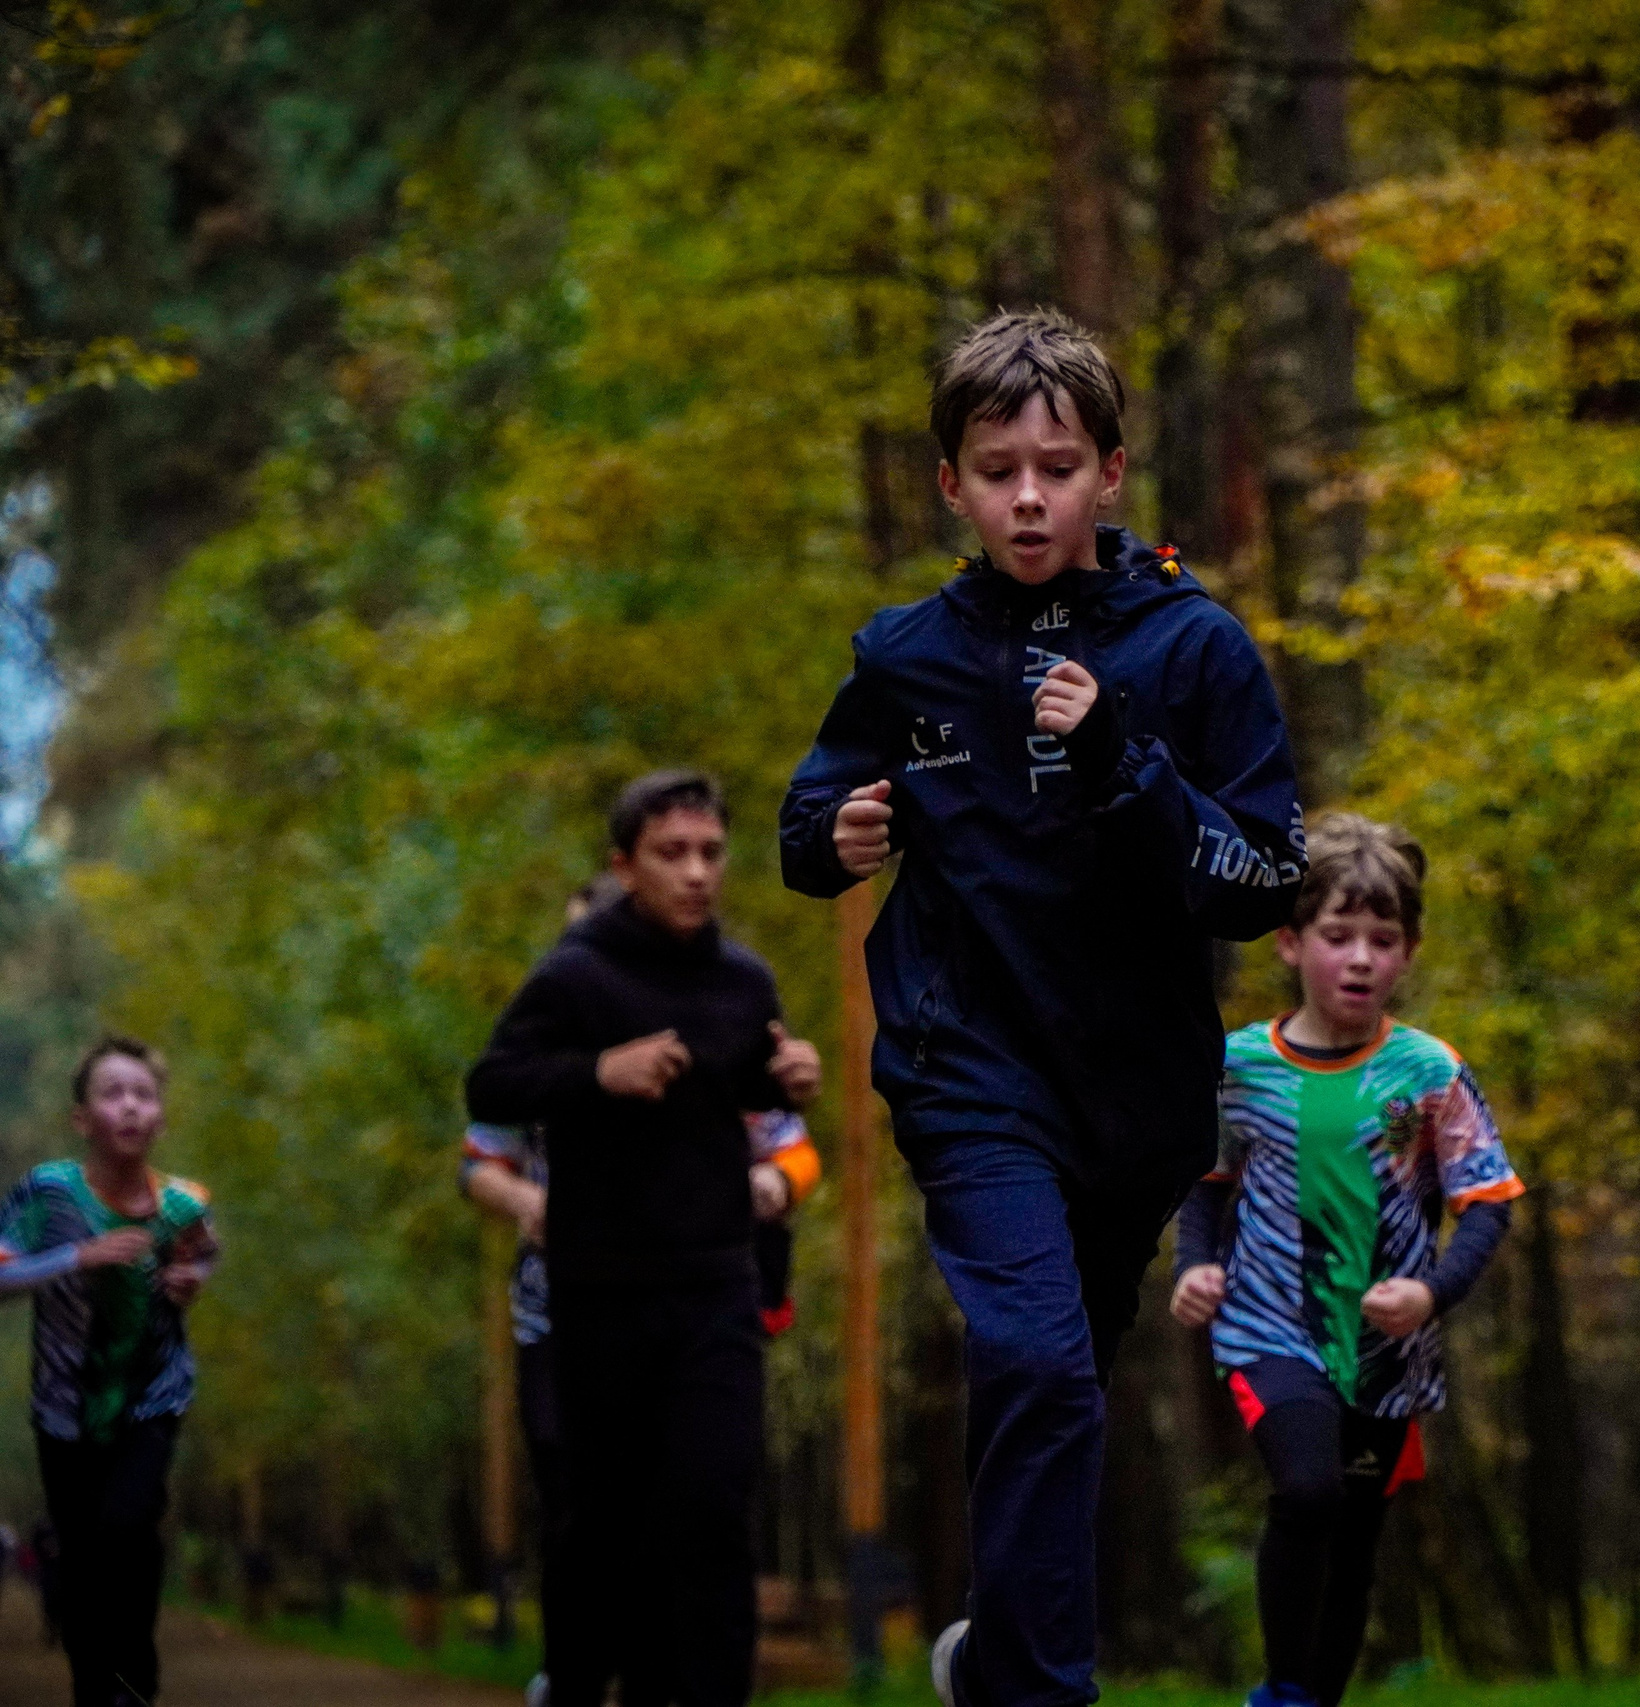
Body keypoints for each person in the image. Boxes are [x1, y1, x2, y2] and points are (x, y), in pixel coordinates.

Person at [779, 308, 1303, 1707]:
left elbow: (1260, 880)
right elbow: (809, 806)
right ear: (948, 480)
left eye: (1056, 465)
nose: (1027, 493)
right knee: (1033, 1359)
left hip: (1131, 1100)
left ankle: (995, 1660)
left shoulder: (1194, 649)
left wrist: (1125, 754)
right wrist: (833, 828)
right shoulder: (906, 652)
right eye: (996, 465)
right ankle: (1038, 1693)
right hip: (969, 1070)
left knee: (1058, 1378)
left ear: (1111, 472)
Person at [466, 771, 823, 1707]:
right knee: (604, 1524)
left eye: (711, 852)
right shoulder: (577, 972)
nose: (697, 872)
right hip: (601, 1288)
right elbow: (491, 1087)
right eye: (673, 854)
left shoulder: (744, 978)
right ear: (626, 866)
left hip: (715, 1285)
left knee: (713, 1512)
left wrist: (790, 1076)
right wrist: (598, 1072)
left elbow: (749, 1086)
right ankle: (580, 1686)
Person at [1169, 815, 1520, 1707]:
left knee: (1358, 1536)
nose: (1359, 958)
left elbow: (1488, 1203)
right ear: (1291, 942)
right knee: (1307, 1489)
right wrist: (1195, 1267)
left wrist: (1433, 1292)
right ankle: (1282, 1691)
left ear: (1407, 954)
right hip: (1268, 1326)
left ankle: (1315, 1696)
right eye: (1338, 936)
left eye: (1383, 939)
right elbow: (1205, 1182)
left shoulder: (1430, 1069)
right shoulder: (1240, 1065)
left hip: (1384, 1345)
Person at [0, 1036, 220, 1707]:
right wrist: (76, 1256)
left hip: (152, 1394)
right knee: (82, 1555)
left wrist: (191, 1277)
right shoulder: (48, 1191)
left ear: (159, 1115)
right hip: (63, 1405)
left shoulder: (184, 1201)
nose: (130, 1106)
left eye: (143, 1094)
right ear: (83, 1118)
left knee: (128, 1525)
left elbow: (204, 1252)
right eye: (112, 1093)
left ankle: (135, 1678)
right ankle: (95, 1686)